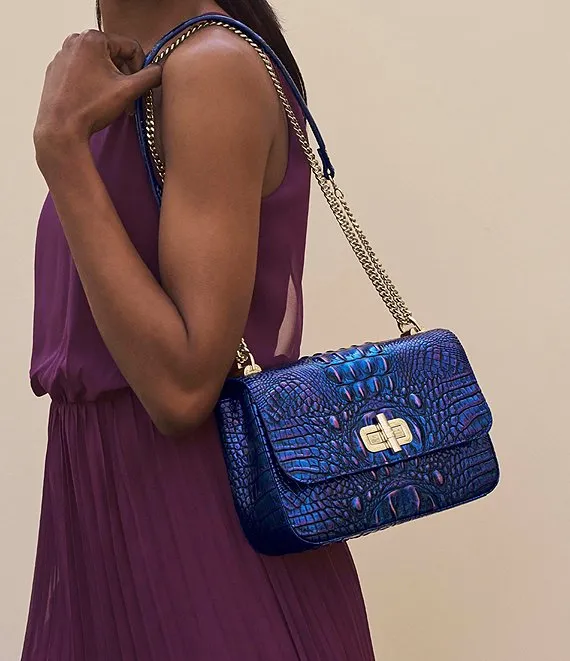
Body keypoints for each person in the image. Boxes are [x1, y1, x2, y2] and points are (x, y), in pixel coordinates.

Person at [22, 1, 376, 659]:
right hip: (104, 543)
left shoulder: (210, 69)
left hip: (204, 547)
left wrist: (62, 150)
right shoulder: (120, 81)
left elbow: (182, 387)